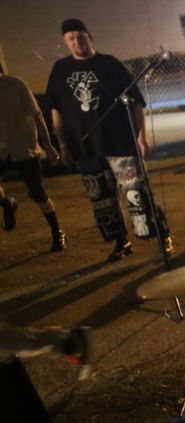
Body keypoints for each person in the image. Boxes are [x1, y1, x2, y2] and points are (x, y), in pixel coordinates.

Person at [46, 18, 171, 262]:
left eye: (80, 36)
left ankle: (161, 236)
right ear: (65, 42)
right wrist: (63, 144)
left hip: (120, 144)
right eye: (71, 38)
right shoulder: (60, 70)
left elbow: (136, 102)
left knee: (137, 193)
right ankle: (120, 241)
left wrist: (141, 136)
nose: (77, 41)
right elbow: (55, 110)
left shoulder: (109, 64)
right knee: (102, 200)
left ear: (90, 37)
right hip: (85, 148)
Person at [0, 64, 66, 250]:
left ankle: (57, 231)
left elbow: (37, 116)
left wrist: (48, 146)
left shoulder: (16, 85)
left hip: (24, 147)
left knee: (38, 193)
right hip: (1, 149)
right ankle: (7, 203)